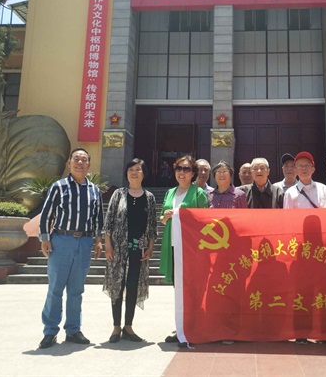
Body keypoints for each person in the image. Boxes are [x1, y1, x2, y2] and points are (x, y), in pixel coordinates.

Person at [38, 148, 104, 349]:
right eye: (76, 159)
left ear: (89, 164)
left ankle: (73, 330)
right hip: (61, 240)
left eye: (84, 160)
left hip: (84, 242)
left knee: (76, 290)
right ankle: (50, 331)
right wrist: (45, 239)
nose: (80, 163)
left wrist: (98, 240)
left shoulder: (94, 190)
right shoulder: (58, 187)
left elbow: (98, 218)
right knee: (55, 289)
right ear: (69, 163)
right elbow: (46, 214)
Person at [103, 159, 157, 343]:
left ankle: (128, 326)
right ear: (126, 173)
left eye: (138, 169)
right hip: (117, 247)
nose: (134, 172)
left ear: (143, 173)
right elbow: (109, 220)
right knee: (117, 285)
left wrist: (150, 246)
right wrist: (107, 244)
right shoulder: (118, 194)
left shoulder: (149, 197)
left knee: (133, 286)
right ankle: (116, 327)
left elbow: (152, 224)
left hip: (139, 248)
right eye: (131, 169)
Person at [283, 151, 326, 345]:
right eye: (300, 166)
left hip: (322, 247)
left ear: (313, 168)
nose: (303, 169)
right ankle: (302, 331)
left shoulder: (324, 190)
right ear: (295, 170)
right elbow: (288, 221)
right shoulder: (290, 193)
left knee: (325, 289)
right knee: (302, 290)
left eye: (307, 165)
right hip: (301, 249)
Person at [159, 156, 208, 345]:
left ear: (193, 173)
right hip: (173, 246)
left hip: (190, 249)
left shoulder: (198, 193)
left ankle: (193, 328)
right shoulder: (170, 192)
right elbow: (162, 219)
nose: (182, 172)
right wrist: (165, 216)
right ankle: (181, 328)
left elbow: (205, 222)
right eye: (178, 168)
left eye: (186, 169)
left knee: (191, 290)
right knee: (178, 290)